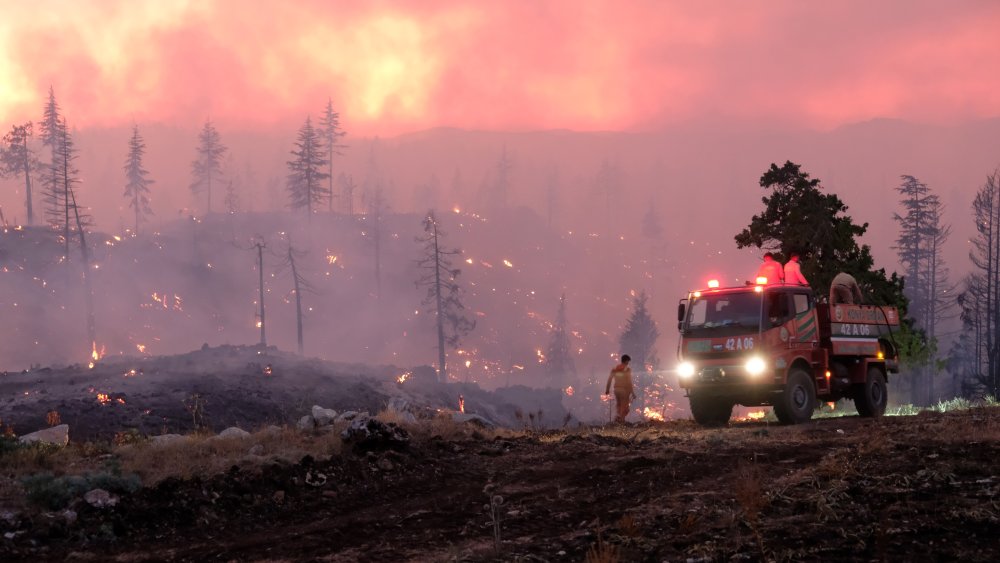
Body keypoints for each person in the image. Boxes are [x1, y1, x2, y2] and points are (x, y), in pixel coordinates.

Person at [604, 354, 635, 424]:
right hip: (624, 390)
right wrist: (632, 393)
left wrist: (607, 389)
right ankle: (621, 421)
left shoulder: (615, 369)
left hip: (616, 390)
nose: (628, 363)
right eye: (628, 362)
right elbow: (629, 382)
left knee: (619, 405)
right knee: (624, 407)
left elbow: (609, 379)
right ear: (626, 361)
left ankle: (618, 420)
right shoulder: (627, 370)